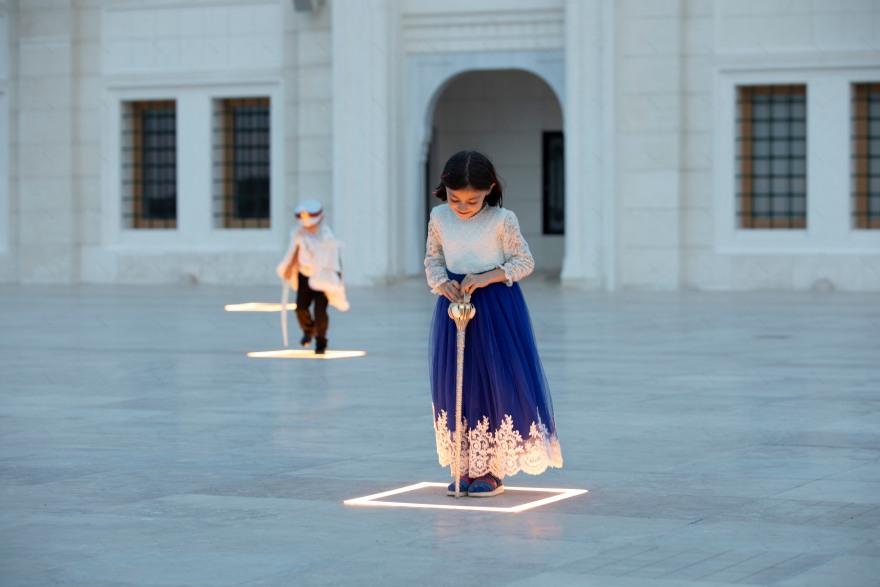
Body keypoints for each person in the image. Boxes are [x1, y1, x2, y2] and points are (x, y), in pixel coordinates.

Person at [425, 150, 563, 497]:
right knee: (458, 381)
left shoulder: (503, 220)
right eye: (455, 198)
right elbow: (433, 258)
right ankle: (463, 464)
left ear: (489, 189)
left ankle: (491, 468)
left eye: (472, 199)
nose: (462, 206)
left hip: (495, 308)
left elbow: (523, 261)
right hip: (454, 307)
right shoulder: (439, 217)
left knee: (492, 381)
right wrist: (441, 283)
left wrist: (486, 278)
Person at [276, 199, 349, 354]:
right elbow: (293, 252)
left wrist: (335, 282)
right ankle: (309, 331)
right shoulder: (298, 234)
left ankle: (321, 341)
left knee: (320, 312)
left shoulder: (327, 237)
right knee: (301, 308)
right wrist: (288, 267)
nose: (309, 227)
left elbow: (334, 262)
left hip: (322, 278)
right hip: (304, 276)